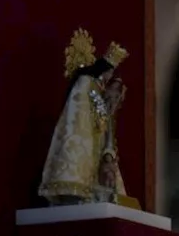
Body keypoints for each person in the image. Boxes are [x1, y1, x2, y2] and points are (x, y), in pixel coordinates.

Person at [40, 29, 131, 206]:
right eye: (109, 71)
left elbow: (105, 123)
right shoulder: (86, 83)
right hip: (85, 141)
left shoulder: (99, 90)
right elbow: (78, 117)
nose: (110, 76)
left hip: (97, 147)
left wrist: (108, 154)